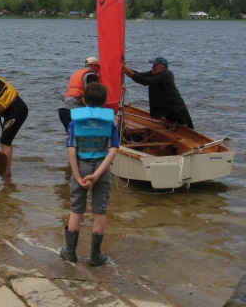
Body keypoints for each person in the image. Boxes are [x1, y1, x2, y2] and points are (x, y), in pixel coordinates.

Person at [60, 82, 119, 267]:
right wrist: (98, 174)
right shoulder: (110, 122)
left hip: (81, 166)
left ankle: (70, 253)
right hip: (102, 167)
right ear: (104, 102)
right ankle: (95, 256)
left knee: (76, 209)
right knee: (99, 211)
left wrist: (77, 176)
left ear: (84, 99)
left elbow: (71, 150)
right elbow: (114, 149)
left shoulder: (74, 121)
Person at [122, 56, 194, 129]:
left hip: (179, 113)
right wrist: (124, 68)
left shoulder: (166, 75)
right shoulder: (154, 73)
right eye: (153, 65)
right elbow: (140, 75)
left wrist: (127, 71)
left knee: (189, 133)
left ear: (162, 67)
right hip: (169, 113)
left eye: (155, 65)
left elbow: (145, 81)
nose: (153, 67)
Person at [58, 57, 100, 132]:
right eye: (98, 67)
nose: (99, 71)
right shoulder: (91, 76)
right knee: (82, 134)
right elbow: (94, 95)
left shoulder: (77, 74)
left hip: (63, 109)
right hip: (74, 110)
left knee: (71, 136)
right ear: (94, 66)